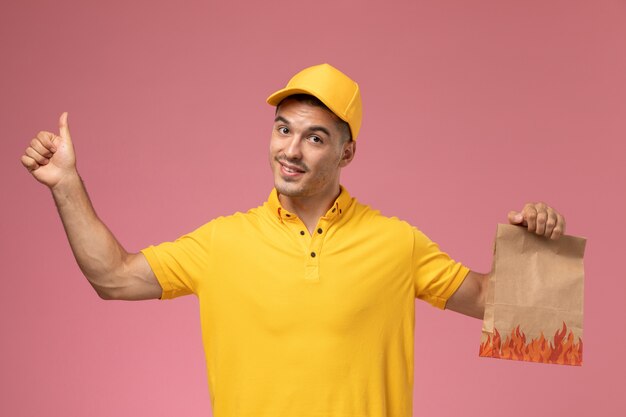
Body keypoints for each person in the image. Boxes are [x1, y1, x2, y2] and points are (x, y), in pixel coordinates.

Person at [21, 63, 566, 416]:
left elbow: (521, 318)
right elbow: (112, 278)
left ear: (346, 153)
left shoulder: (398, 243)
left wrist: (531, 250)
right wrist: (66, 184)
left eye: (315, 138)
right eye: (284, 129)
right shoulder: (222, 242)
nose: (291, 150)